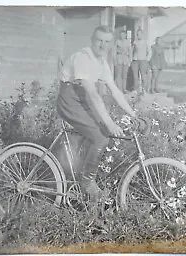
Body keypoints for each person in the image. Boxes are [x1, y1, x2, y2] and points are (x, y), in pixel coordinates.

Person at [56, 25, 137, 202]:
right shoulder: (83, 58)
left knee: (98, 134)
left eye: (107, 41)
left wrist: (133, 115)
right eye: (99, 40)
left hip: (81, 100)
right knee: (101, 137)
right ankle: (86, 182)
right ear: (92, 40)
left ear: (111, 44)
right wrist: (109, 123)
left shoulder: (101, 62)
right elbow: (92, 94)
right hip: (70, 101)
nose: (103, 45)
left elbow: (115, 91)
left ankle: (78, 172)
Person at [131, 28, 149, 94]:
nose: (138, 36)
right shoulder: (135, 42)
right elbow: (132, 51)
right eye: (137, 34)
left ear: (142, 35)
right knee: (135, 76)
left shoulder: (145, 42)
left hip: (143, 60)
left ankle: (144, 90)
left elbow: (148, 52)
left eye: (140, 34)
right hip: (135, 60)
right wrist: (131, 59)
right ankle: (136, 90)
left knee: (143, 76)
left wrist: (146, 59)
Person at [114, 29, 132, 94]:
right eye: (121, 35)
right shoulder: (117, 41)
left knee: (124, 75)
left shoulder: (128, 42)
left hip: (126, 59)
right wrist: (115, 61)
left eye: (124, 35)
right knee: (118, 75)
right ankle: (119, 89)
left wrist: (130, 60)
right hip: (119, 58)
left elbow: (130, 51)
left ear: (125, 35)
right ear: (120, 35)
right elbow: (114, 52)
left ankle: (124, 89)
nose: (122, 36)